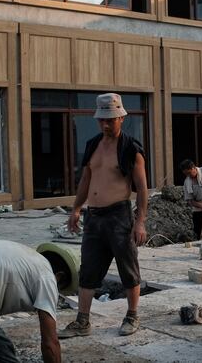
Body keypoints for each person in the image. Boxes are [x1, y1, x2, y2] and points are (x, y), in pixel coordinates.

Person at [60, 93, 148, 338]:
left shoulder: (131, 148)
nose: (106, 124)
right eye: (102, 120)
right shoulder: (92, 145)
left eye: (110, 120)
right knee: (88, 270)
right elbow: (86, 180)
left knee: (128, 269)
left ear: (121, 117)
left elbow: (142, 188)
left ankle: (132, 315)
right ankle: (82, 321)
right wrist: (76, 209)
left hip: (119, 216)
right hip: (94, 217)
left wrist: (140, 222)